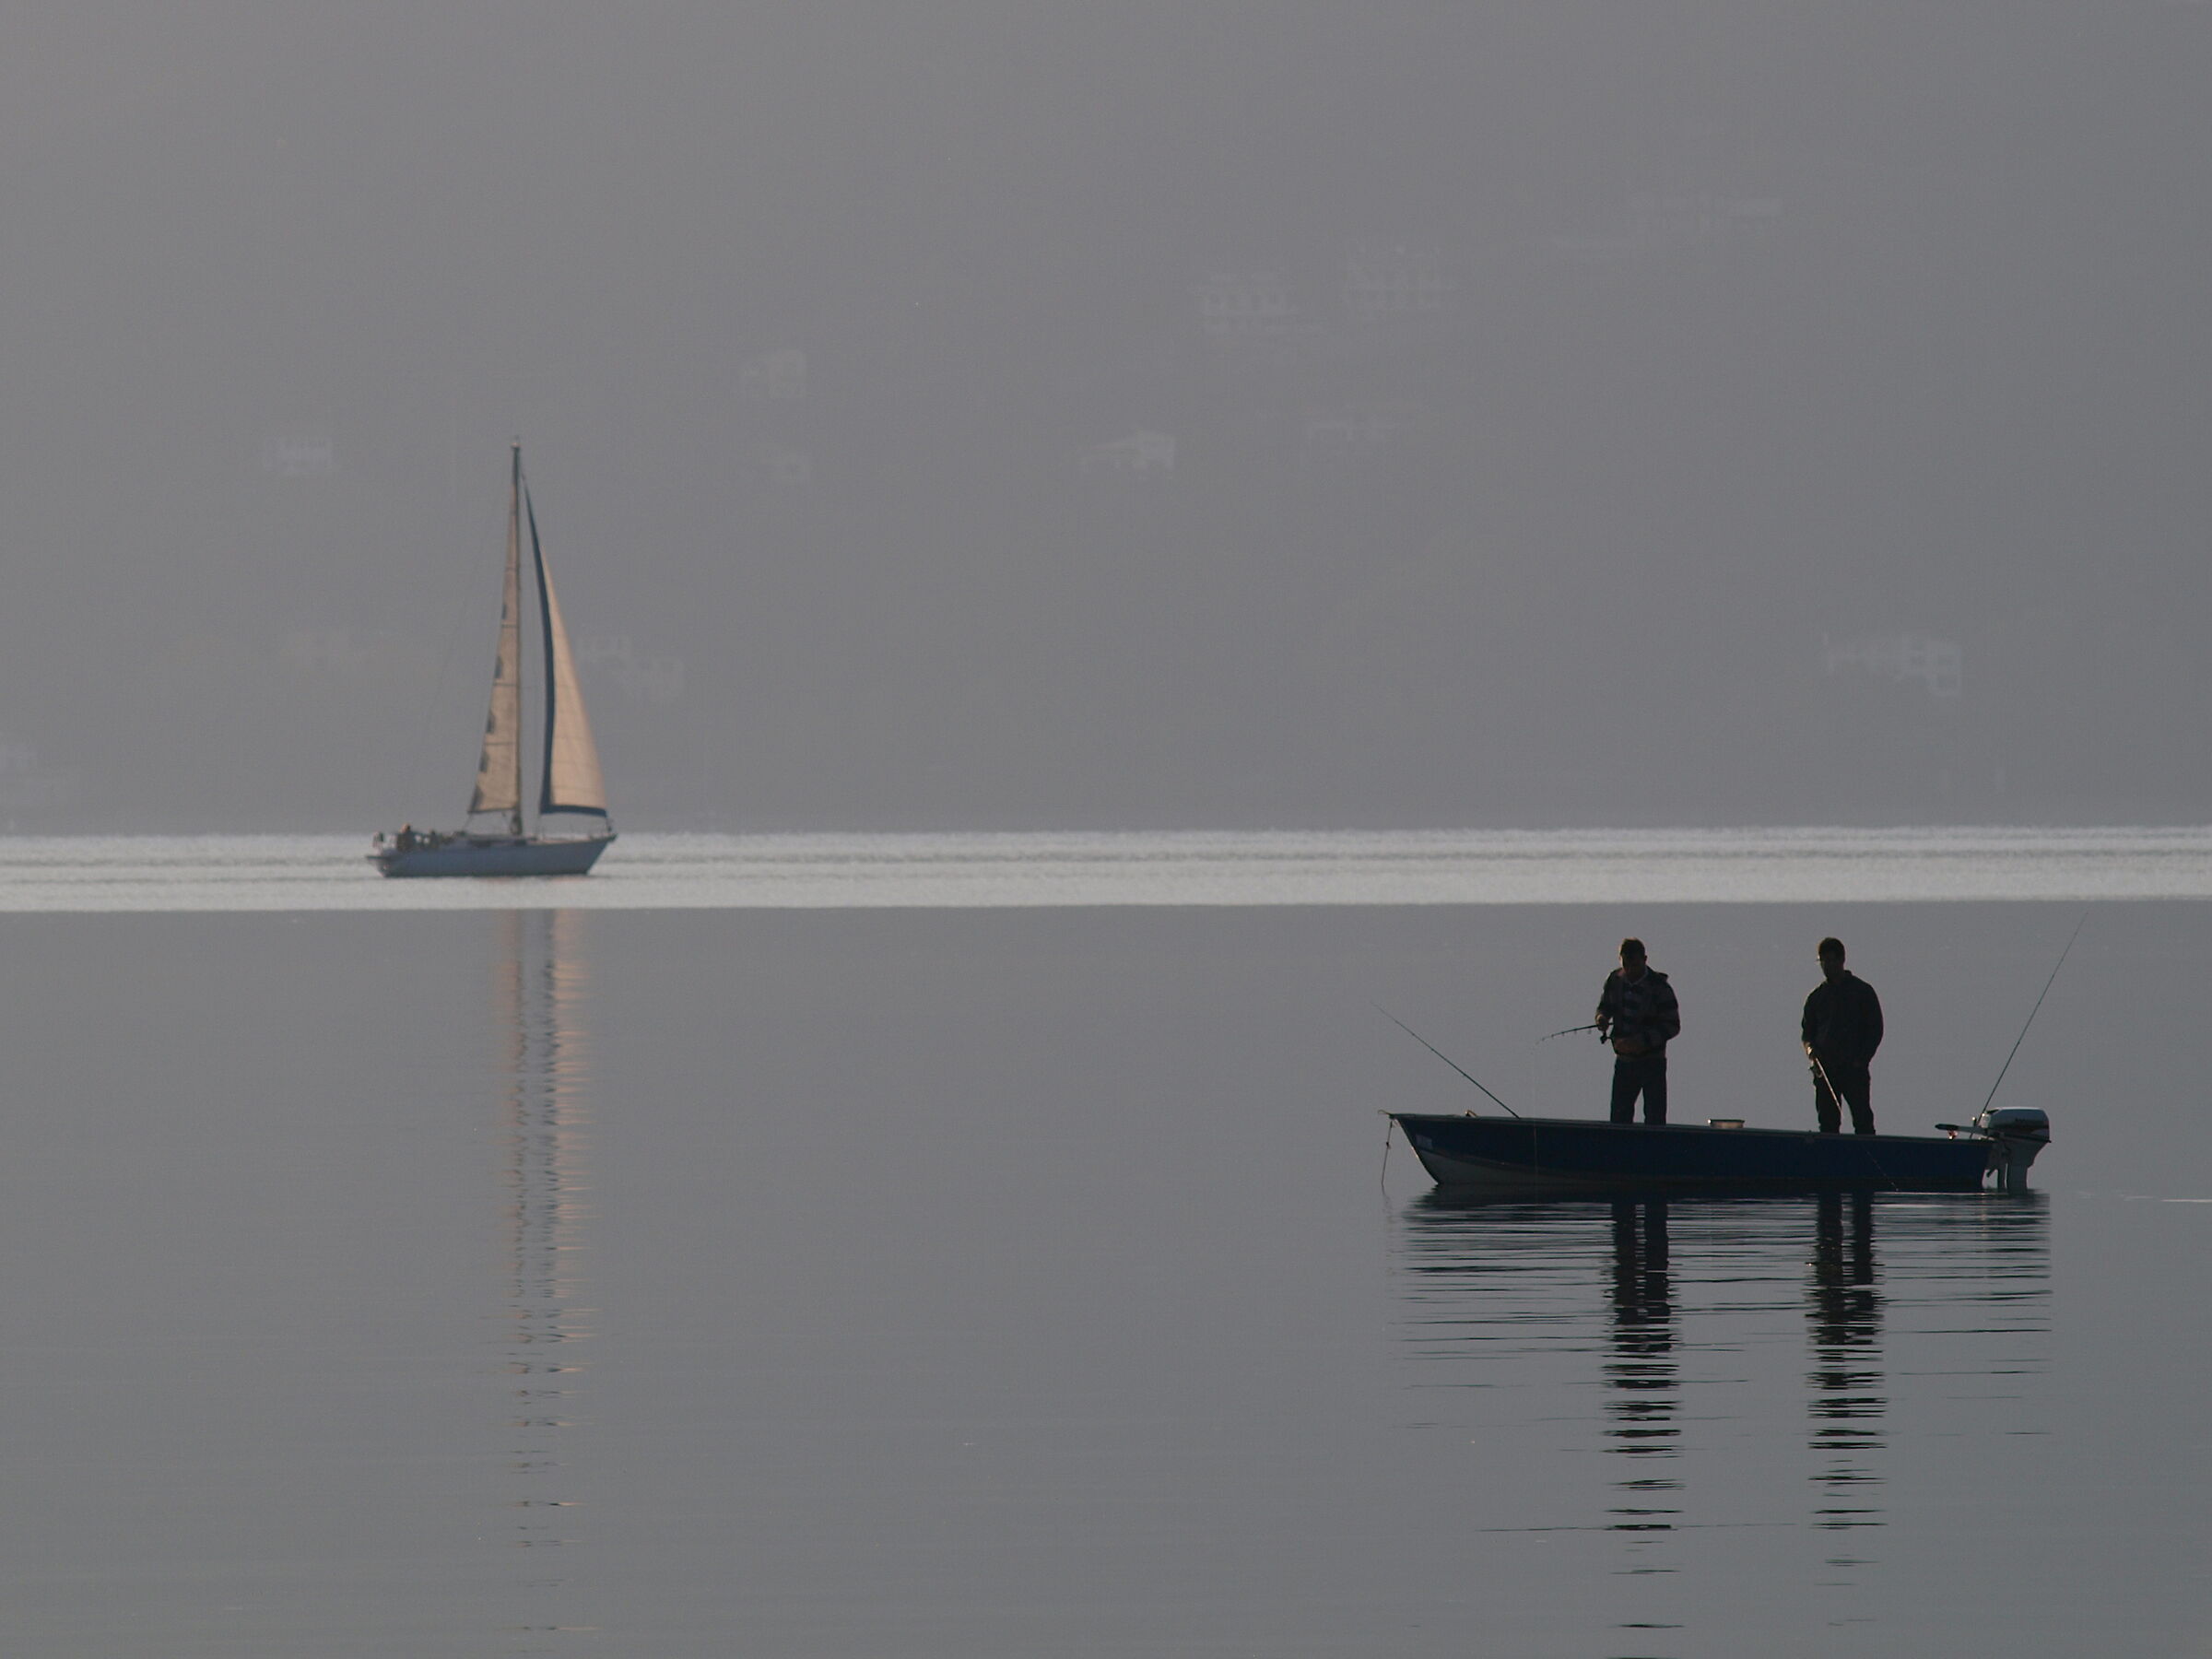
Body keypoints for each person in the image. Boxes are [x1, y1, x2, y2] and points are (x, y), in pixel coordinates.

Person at [1802, 936, 1883, 1135]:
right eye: (1822, 961)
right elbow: (1807, 1033)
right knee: (1828, 1123)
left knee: (1862, 1119)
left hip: (1853, 1068)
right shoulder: (1816, 997)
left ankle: (1868, 1159)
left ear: (1842, 960)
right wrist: (1812, 1052)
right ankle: (1829, 1160)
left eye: (1830, 960)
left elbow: (1875, 1030)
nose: (1827, 966)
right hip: (1825, 1069)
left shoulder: (1862, 992)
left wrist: (1861, 1059)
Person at [1594, 937, 1680, 1125]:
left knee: (1654, 1118)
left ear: (1645, 959)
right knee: (1619, 1118)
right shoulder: (1614, 981)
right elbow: (1604, 1007)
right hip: (1624, 1061)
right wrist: (1601, 1018)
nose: (1630, 969)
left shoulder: (1659, 987)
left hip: (1652, 1063)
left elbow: (1672, 1025)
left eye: (1634, 964)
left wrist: (1642, 1041)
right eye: (1626, 964)